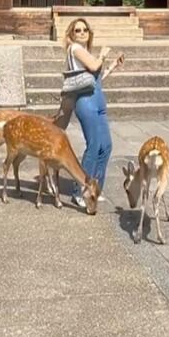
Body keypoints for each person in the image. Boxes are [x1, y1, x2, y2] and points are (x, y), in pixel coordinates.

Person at [60, 18, 124, 208]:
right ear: (71, 34)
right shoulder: (74, 49)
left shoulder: (85, 52)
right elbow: (95, 66)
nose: (81, 33)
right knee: (94, 145)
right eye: (77, 30)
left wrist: (112, 66)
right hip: (86, 103)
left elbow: (95, 78)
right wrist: (103, 55)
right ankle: (80, 190)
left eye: (85, 30)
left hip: (97, 99)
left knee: (106, 146)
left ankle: (95, 187)